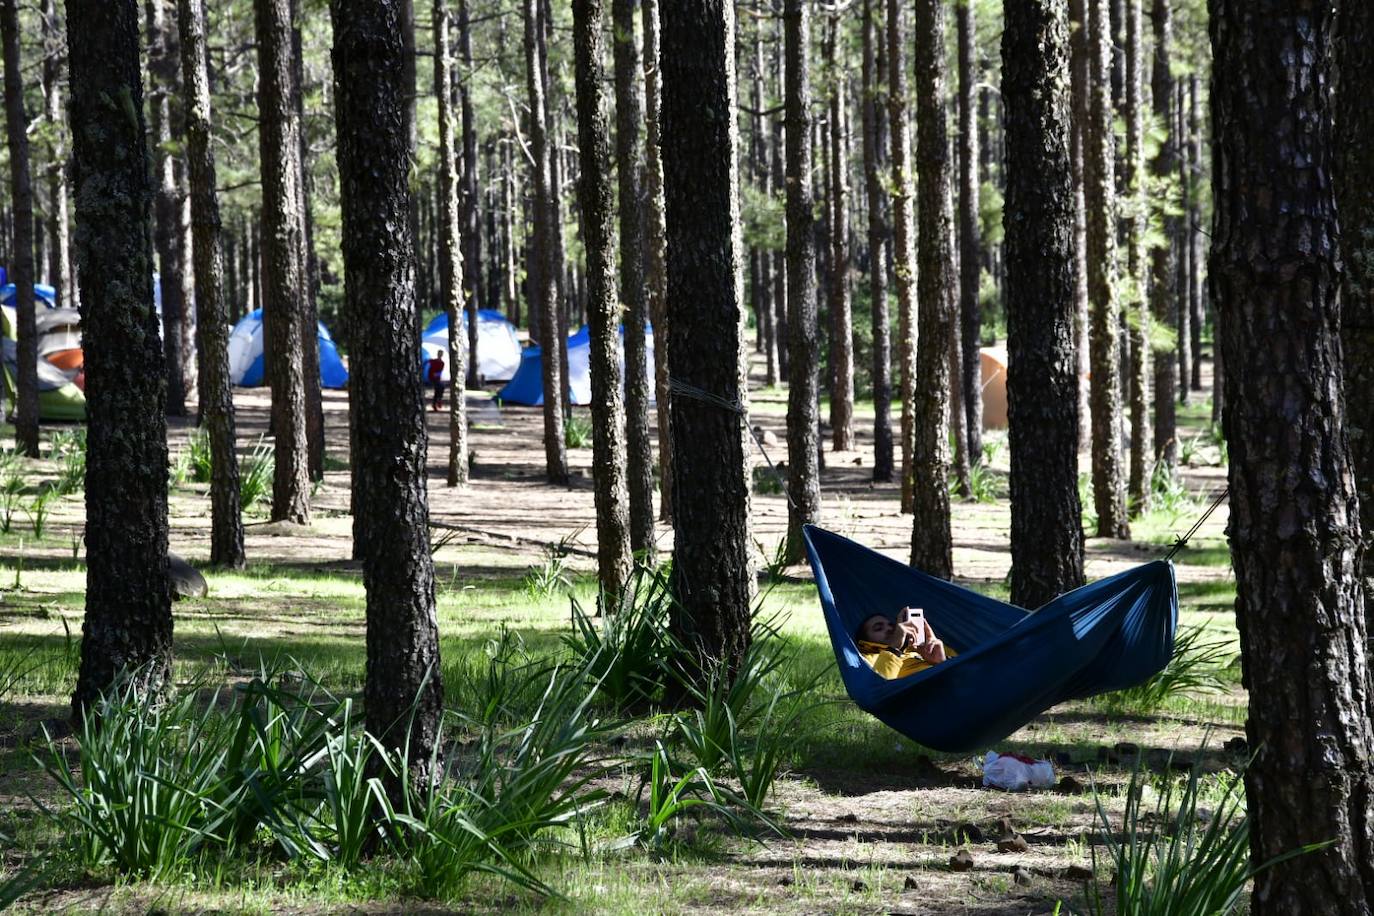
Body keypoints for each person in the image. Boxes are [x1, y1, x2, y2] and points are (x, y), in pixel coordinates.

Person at [854, 607, 953, 679]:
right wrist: (894, 649)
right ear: (865, 641)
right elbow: (878, 691)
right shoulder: (867, 659)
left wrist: (941, 662)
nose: (889, 629)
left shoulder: (919, 648)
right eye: (878, 628)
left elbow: (963, 668)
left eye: (891, 625)